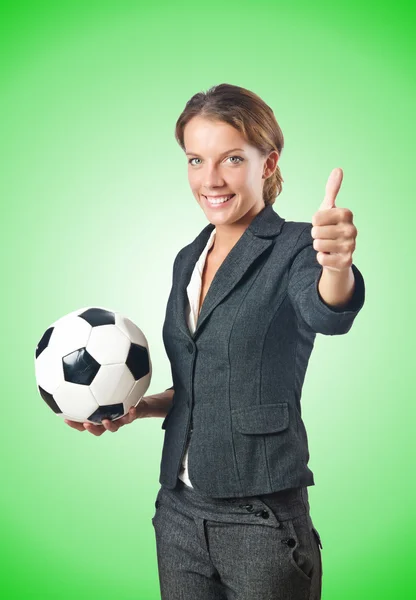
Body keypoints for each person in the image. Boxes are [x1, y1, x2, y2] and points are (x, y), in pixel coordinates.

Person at [66, 83, 365, 599]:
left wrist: (336, 265)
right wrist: (138, 408)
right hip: (178, 513)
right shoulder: (189, 256)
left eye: (231, 159)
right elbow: (203, 385)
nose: (210, 179)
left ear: (267, 164)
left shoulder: (296, 245)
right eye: (195, 159)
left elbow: (327, 311)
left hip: (260, 517)